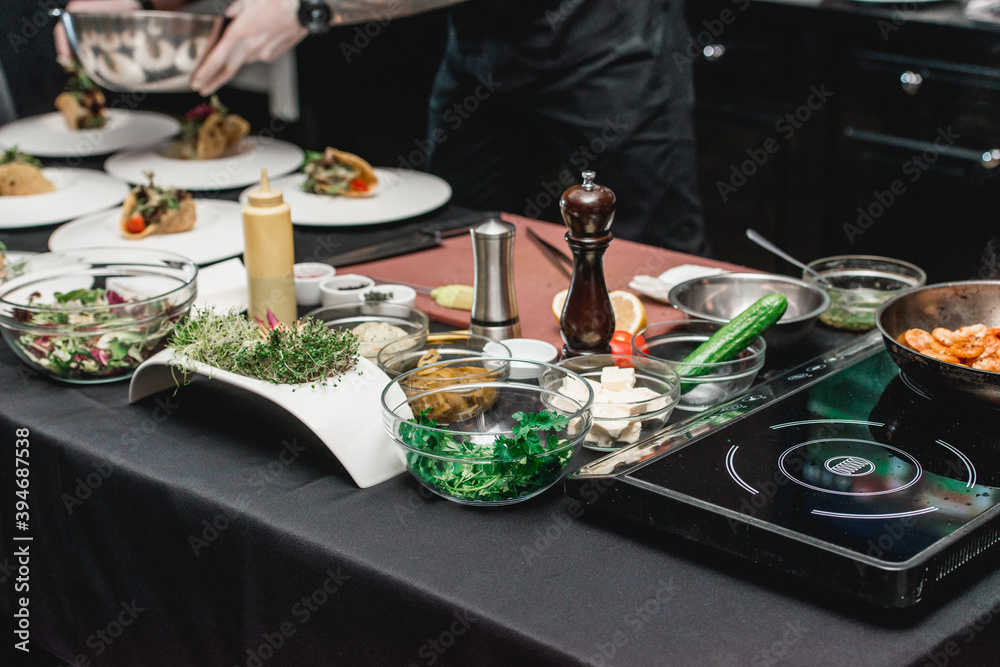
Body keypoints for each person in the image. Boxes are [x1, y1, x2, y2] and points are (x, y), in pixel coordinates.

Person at [56, 0, 707, 255]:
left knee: (653, 248)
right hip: (480, 36)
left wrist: (312, 7)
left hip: (607, 32)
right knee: (454, 234)